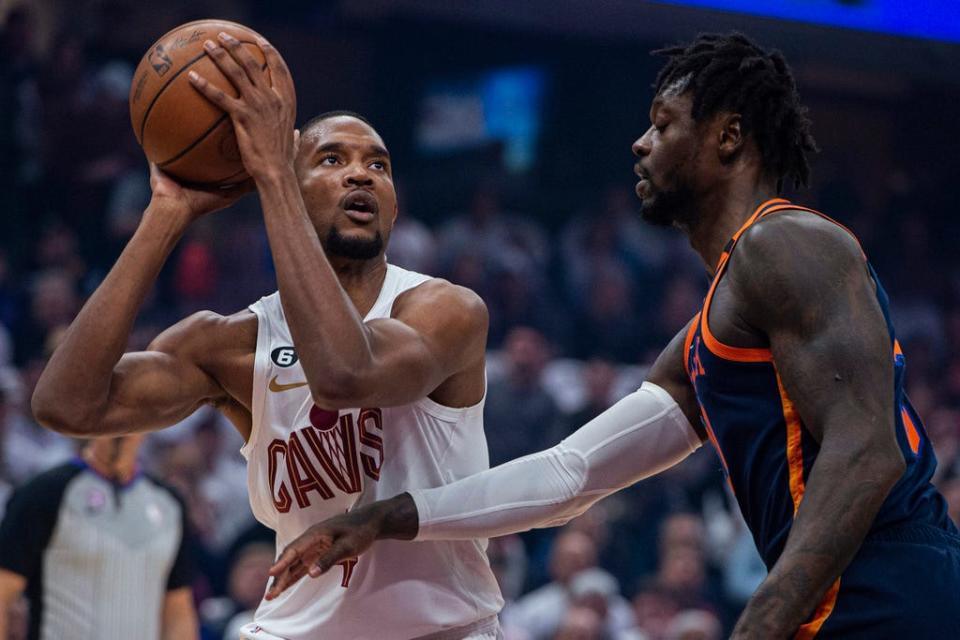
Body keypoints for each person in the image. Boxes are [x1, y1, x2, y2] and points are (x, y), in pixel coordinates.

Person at [268, 33, 960, 639]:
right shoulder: (705, 337)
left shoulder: (787, 241)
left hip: (895, 597)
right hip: (845, 605)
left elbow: (868, 453)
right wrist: (390, 516)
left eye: (663, 125)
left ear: (727, 136)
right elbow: (572, 474)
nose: (641, 143)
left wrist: (760, 625)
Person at [32, 32, 501, 640]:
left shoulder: (444, 310)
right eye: (332, 160)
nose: (361, 174)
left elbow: (344, 376)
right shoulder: (230, 343)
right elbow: (65, 404)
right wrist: (165, 217)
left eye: (378, 165)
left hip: (442, 629)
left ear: (393, 204)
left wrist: (276, 172)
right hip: (293, 628)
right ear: (286, 185)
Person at [0, 435, 197, 640]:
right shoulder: (44, 493)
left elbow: (178, 612)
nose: (123, 424)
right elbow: (3, 591)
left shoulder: (170, 505)